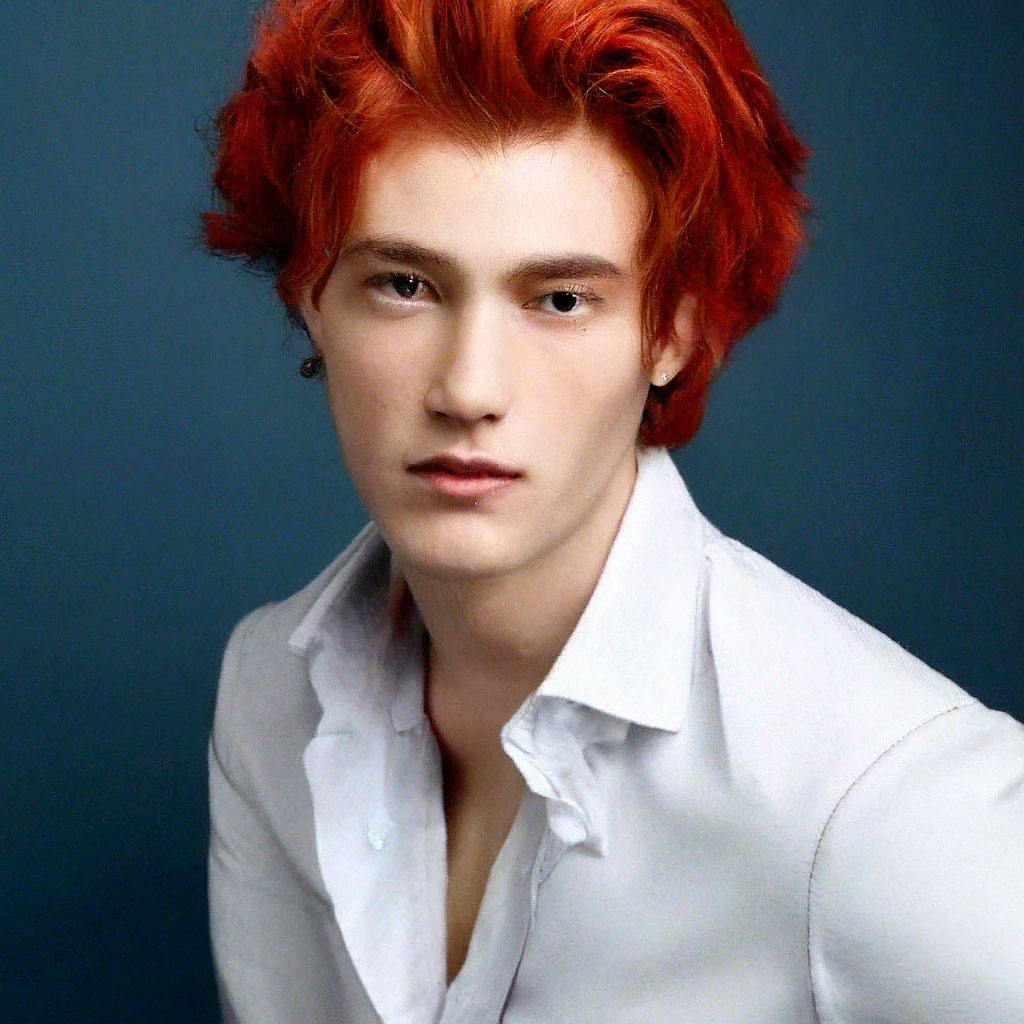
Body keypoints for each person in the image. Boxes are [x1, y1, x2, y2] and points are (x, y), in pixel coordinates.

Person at [198, 1, 1024, 1021]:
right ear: (310, 297)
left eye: (559, 300)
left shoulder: (883, 798)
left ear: (672, 332)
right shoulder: (270, 692)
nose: (468, 388)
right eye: (404, 284)